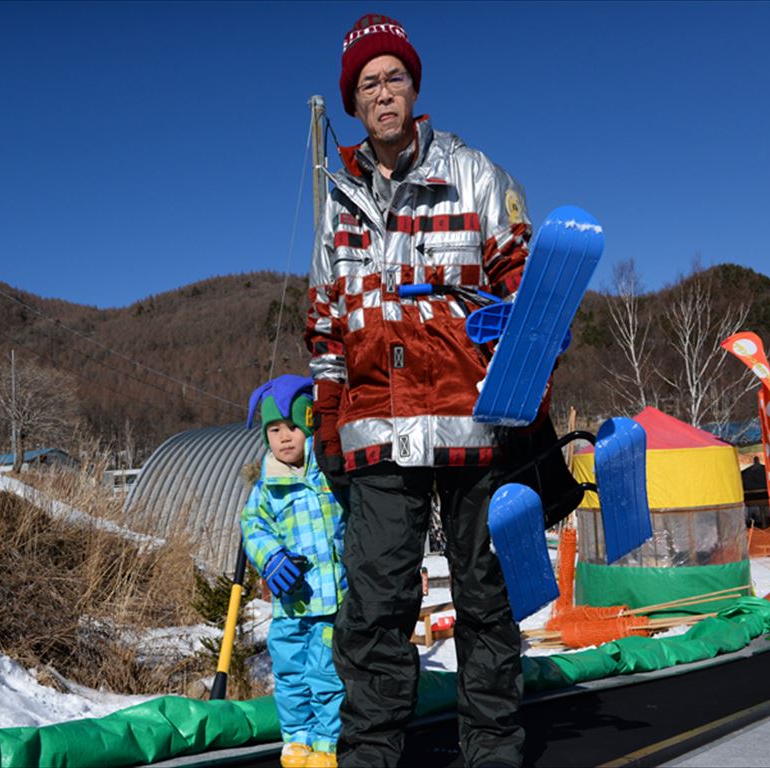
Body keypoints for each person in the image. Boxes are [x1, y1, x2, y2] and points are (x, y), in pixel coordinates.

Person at [305, 13, 540, 768]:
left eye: (394, 76)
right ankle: (368, 757)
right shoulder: (338, 206)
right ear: (353, 100)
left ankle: (493, 752)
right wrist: (329, 426)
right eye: (368, 82)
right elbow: (327, 329)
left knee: (484, 597)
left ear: (414, 87)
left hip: (475, 424)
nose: (383, 92)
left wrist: (523, 350)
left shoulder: (476, 174)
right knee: (374, 610)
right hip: (376, 430)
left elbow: (528, 283)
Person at [241, 374, 348, 768]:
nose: (284, 438)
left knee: (326, 677)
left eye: (292, 428)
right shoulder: (267, 487)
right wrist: (270, 557)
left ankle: (326, 744)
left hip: (329, 602)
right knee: (289, 676)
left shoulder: (330, 474)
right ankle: (297, 742)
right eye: (274, 430)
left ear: (309, 424)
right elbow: (252, 526)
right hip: (289, 607)